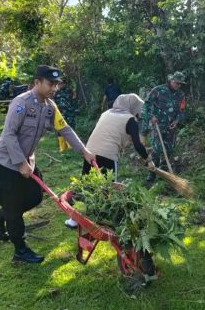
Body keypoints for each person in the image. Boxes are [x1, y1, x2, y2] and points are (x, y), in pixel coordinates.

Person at [0, 65, 96, 264]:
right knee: (14, 205)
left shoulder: (49, 106)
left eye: (56, 84)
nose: (54, 88)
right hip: (7, 162)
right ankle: (20, 250)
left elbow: (65, 129)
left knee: (35, 196)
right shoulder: (21, 103)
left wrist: (84, 151)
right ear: (37, 82)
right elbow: (9, 134)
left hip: (27, 161)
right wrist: (20, 163)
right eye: (50, 84)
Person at [64, 93, 154, 229]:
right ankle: (104, 218)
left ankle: (74, 219)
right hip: (107, 155)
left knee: (86, 185)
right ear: (132, 106)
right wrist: (148, 160)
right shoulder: (130, 120)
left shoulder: (106, 113)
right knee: (109, 189)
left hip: (90, 151)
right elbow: (138, 144)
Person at [141, 71, 187, 187]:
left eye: (180, 84)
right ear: (171, 80)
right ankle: (151, 176)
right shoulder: (158, 90)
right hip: (157, 126)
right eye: (176, 83)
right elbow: (146, 105)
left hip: (170, 127)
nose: (178, 85)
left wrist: (176, 121)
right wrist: (151, 117)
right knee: (156, 151)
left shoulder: (181, 95)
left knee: (169, 150)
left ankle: (165, 176)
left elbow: (182, 111)